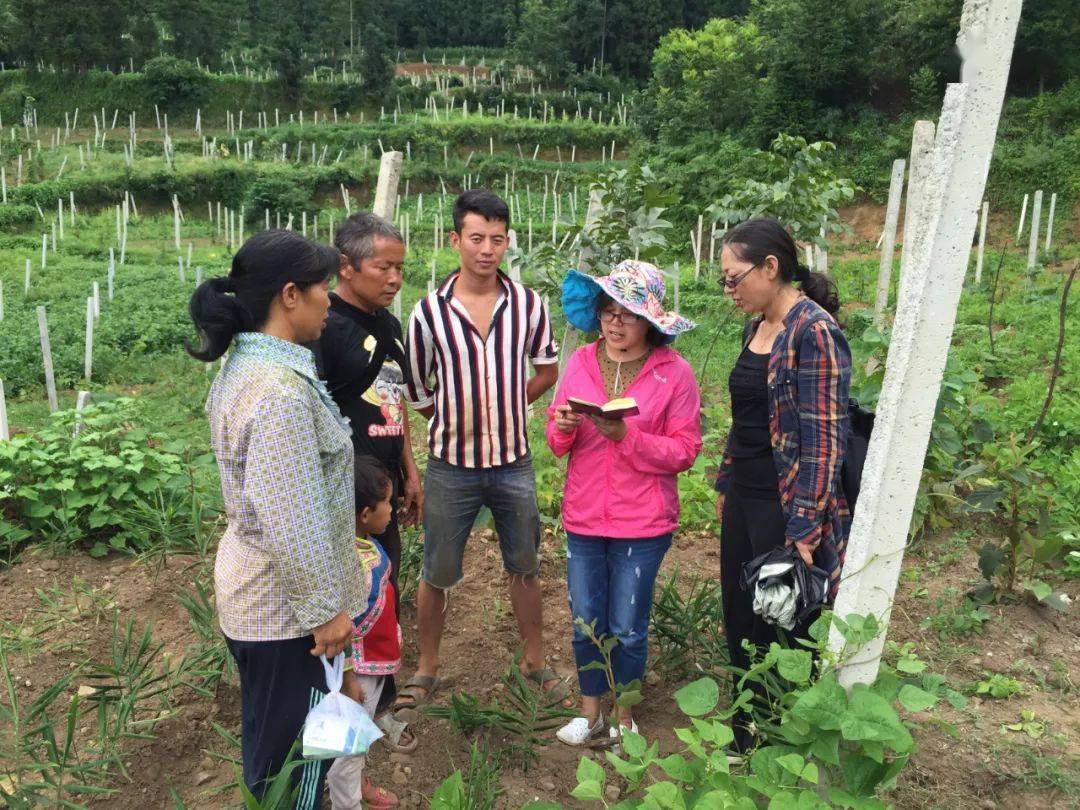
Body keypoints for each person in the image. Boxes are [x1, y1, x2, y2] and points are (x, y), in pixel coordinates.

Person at [189, 230, 364, 808]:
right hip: (287, 616)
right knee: (293, 773)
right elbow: (293, 517)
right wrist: (326, 613)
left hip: (261, 601)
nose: (330, 301)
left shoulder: (246, 367)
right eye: (321, 288)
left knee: (272, 755)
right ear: (290, 295)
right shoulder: (279, 393)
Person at [399, 189, 566, 716]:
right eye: (476, 238)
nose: (487, 249)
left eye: (497, 239)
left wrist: (509, 405)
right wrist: (450, 415)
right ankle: (427, 667)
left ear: (507, 241)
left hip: (513, 461)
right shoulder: (429, 312)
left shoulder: (529, 305)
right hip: (450, 466)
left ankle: (534, 660)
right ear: (455, 240)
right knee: (437, 570)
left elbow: (546, 370)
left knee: (525, 565)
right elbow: (416, 385)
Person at [546, 260, 702, 745]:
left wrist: (626, 436)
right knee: (585, 621)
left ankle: (625, 718)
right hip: (585, 517)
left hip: (644, 523)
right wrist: (565, 427)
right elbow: (555, 438)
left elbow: (685, 451)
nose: (615, 322)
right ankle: (590, 714)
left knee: (628, 628)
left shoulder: (674, 374)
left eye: (629, 314)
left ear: (650, 322)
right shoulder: (581, 363)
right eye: (609, 311)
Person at [713, 218, 852, 753]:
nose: (730, 290)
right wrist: (726, 480)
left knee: (783, 621)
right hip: (745, 496)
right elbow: (748, 417)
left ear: (771, 268)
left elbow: (824, 441)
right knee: (741, 613)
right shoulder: (758, 326)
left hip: (785, 502)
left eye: (734, 278)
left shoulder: (813, 332)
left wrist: (804, 528)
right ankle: (745, 730)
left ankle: (781, 739)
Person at [310, 212, 422, 745]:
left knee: (383, 592)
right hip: (344, 499)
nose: (395, 278)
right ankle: (339, 705)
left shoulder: (388, 326)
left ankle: (380, 699)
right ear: (346, 267)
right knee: (346, 600)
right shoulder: (324, 328)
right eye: (384, 267)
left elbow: (392, 401)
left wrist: (409, 473)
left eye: (401, 267)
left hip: (382, 494)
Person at [327, 456, 406, 810]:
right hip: (358, 669)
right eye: (387, 502)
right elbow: (341, 627)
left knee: (354, 741)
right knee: (348, 747)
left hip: (370, 661)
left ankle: (356, 786)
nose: (392, 508)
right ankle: (348, 802)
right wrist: (348, 679)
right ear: (364, 514)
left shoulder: (361, 544)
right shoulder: (350, 564)